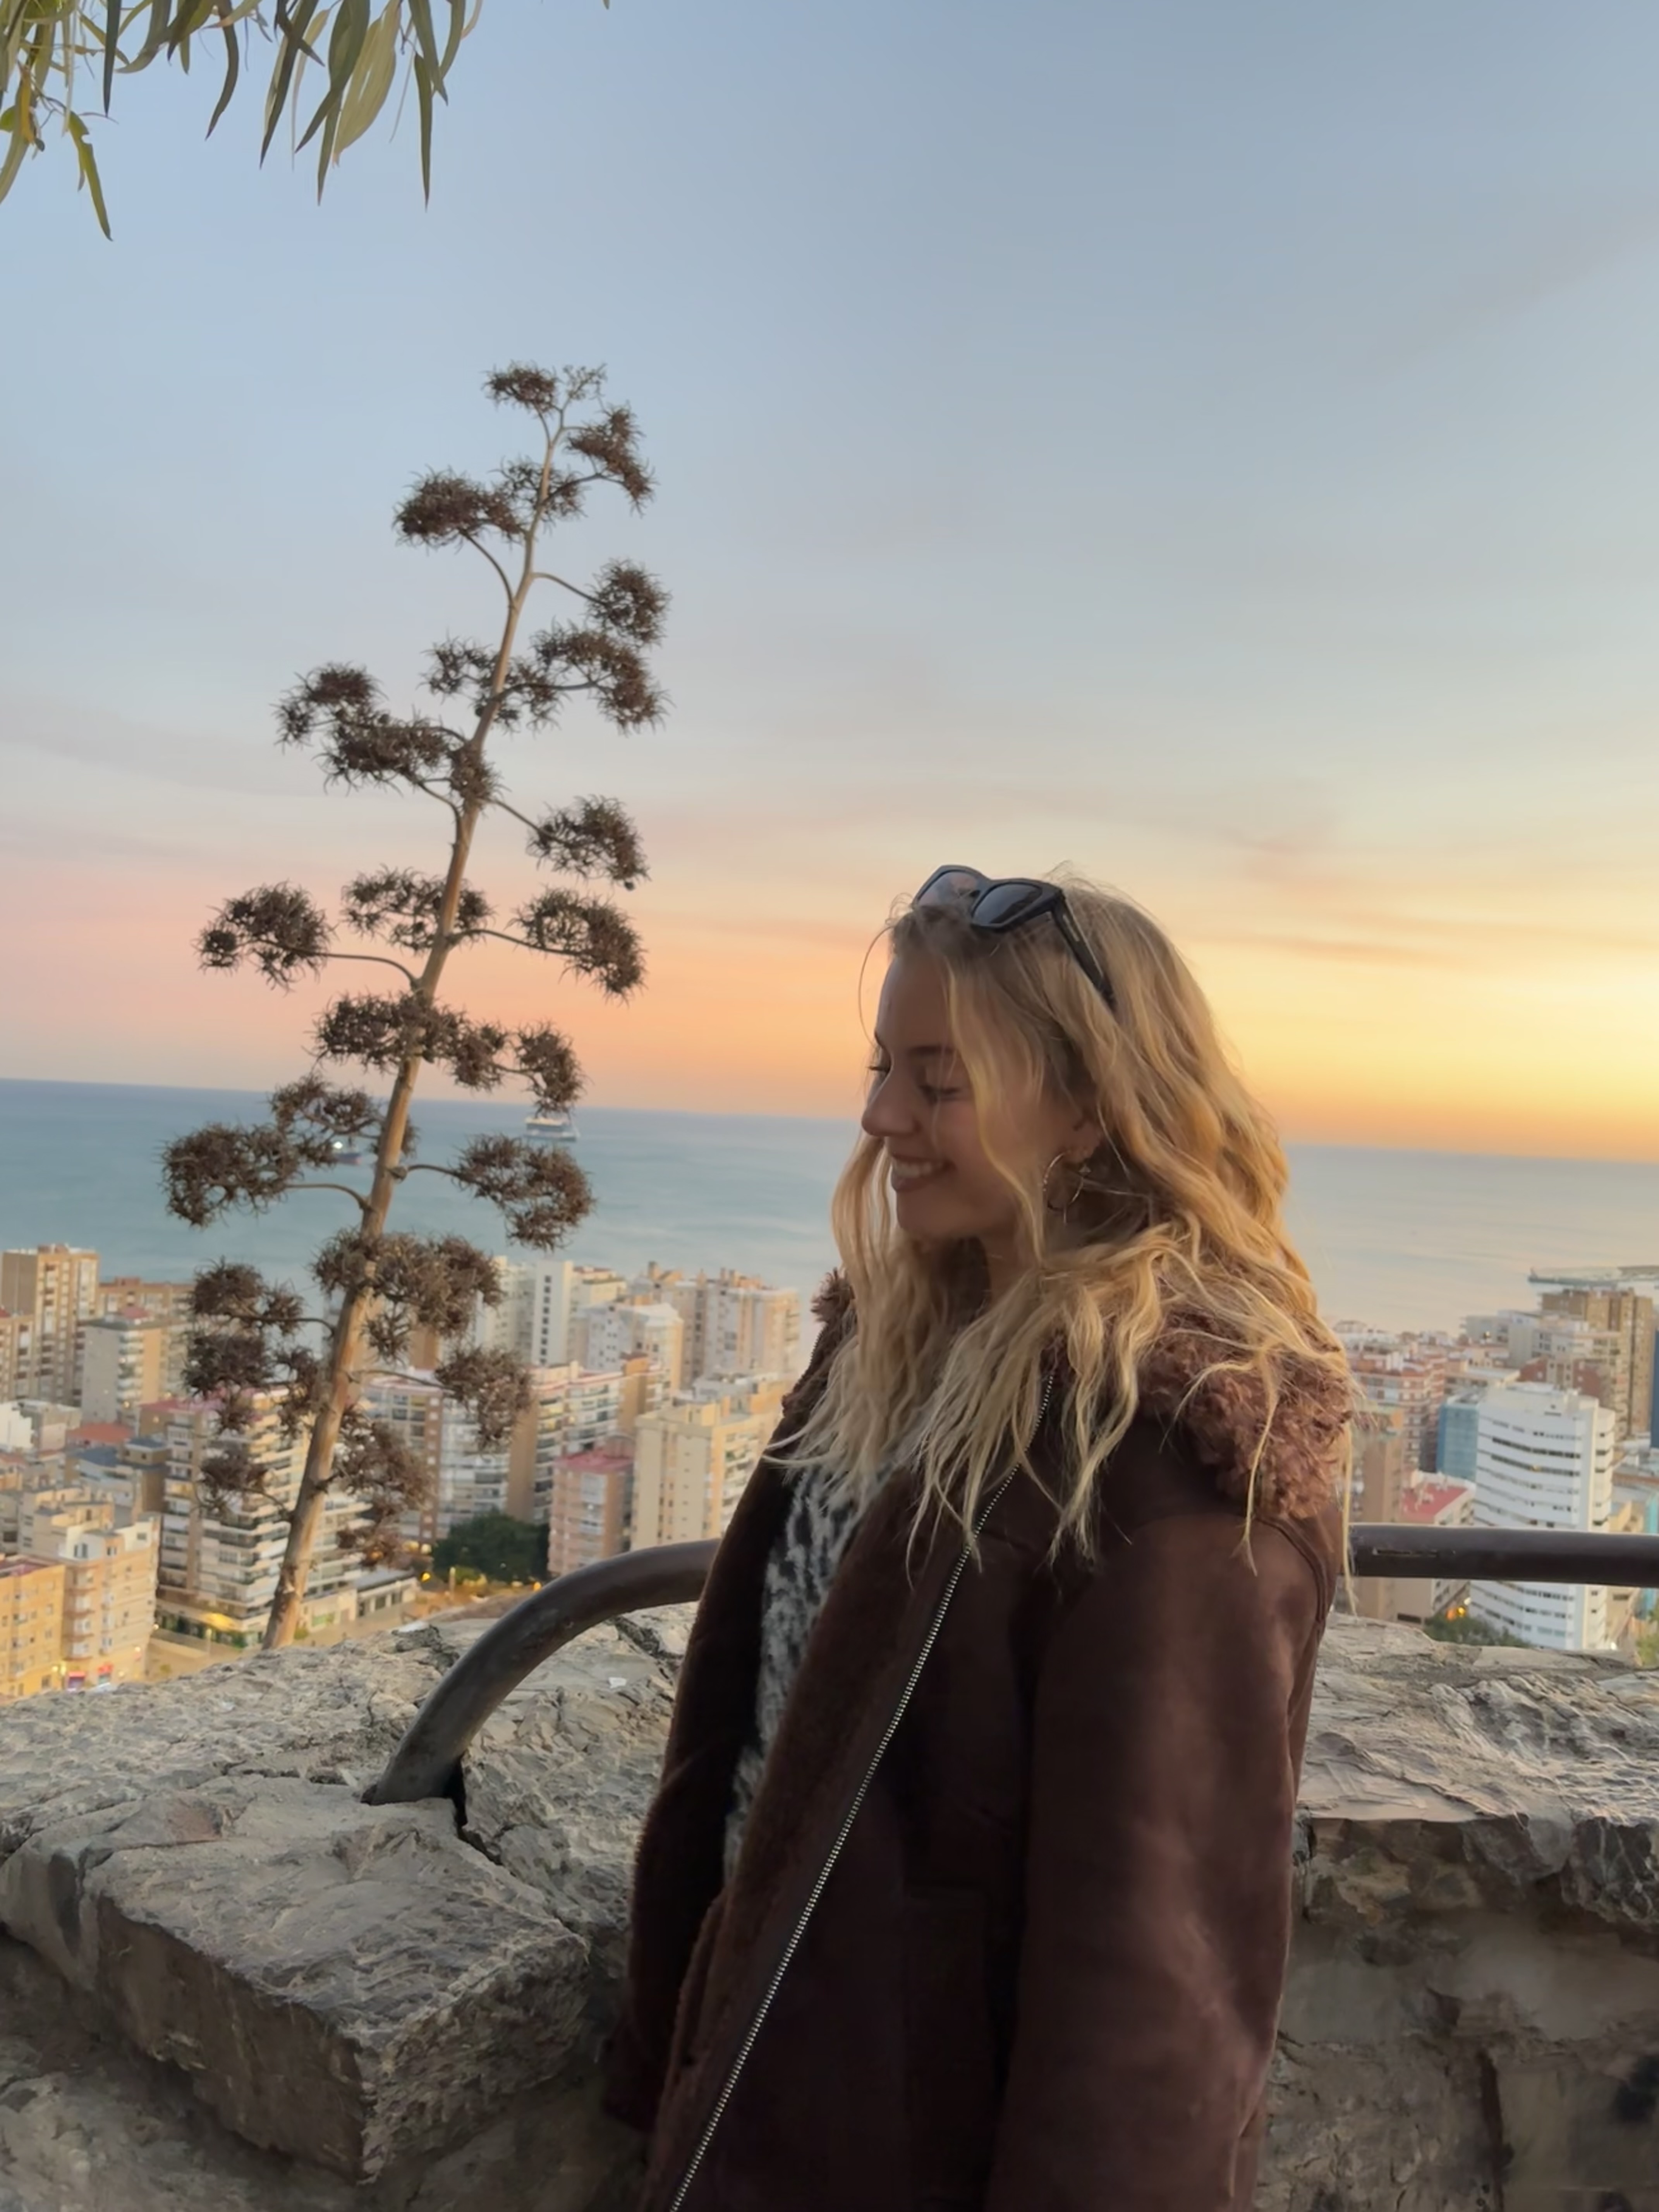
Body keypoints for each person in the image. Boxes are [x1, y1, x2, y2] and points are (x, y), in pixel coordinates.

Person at [604, 866, 1353, 2212]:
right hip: (777, 2097)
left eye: (938, 1082)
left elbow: (1158, 1969)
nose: (882, 1115)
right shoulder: (892, 1340)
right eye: (885, 1065)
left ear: (1085, 1107)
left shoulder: (1159, 1449)